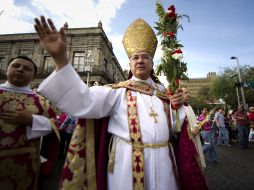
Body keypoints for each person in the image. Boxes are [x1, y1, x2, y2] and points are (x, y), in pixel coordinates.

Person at [34, 16, 208, 190]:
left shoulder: (164, 96)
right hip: (126, 164)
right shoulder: (117, 92)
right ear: (129, 64)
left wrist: (177, 108)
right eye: (135, 58)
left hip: (165, 162)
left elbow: (177, 131)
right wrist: (61, 60)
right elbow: (82, 101)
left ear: (152, 63)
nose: (140, 60)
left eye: (145, 57)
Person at [0, 56, 60, 189]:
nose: (20, 69)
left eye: (27, 68)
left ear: (33, 77)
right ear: (6, 70)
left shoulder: (42, 102)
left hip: (24, 163)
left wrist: (32, 120)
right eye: (16, 66)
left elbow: (55, 128)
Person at [181, 87, 206, 169]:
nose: (188, 95)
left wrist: (199, 125)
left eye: (188, 92)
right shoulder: (178, 107)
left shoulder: (189, 106)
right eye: (185, 92)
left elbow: (193, 122)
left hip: (195, 138)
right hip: (187, 143)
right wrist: (191, 131)